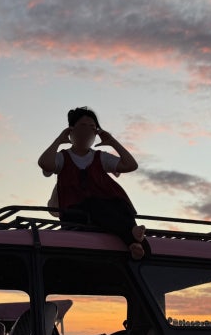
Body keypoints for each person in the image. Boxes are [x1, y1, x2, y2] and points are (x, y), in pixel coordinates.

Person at [38, 107, 146, 259]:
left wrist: (112, 141)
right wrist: (59, 139)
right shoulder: (62, 158)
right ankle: (131, 235)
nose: (87, 131)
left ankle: (134, 244)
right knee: (93, 204)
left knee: (118, 203)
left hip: (105, 211)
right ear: (71, 130)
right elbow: (45, 163)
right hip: (75, 213)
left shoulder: (100, 157)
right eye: (82, 126)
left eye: (92, 128)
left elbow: (131, 165)